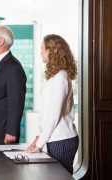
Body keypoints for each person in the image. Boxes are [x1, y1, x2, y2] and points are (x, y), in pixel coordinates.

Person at [26, 34, 79, 174]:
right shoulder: (56, 76)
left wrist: (39, 144)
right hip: (55, 139)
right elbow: (48, 112)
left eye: (42, 48)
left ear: (51, 50)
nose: (40, 52)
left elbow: (54, 115)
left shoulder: (61, 77)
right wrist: (39, 136)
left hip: (62, 141)